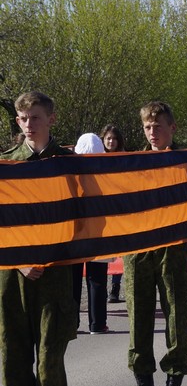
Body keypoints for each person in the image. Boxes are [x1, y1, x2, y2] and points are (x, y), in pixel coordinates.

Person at [0, 91, 75, 386]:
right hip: (12, 279)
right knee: (13, 358)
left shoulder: (70, 165)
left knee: (48, 361)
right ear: (18, 122)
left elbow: (86, 220)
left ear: (52, 119)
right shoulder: (5, 165)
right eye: (24, 118)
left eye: (36, 117)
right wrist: (19, 262)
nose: (30, 123)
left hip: (56, 278)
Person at [119, 102, 187, 386]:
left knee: (176, 320)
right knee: (138, 322)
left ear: (172, 128)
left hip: (172, 249)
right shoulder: (133, 165)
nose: (152, 132)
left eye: (158, 126)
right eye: (147, 127)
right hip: (138, 250)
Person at [71, 133, 111, 336]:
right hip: (99, 231)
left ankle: (72, 323)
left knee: (73, 279)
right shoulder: (105, 174)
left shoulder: (70, 174)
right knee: (97, 279)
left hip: (74, 233)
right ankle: (97, 323)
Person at [100, 124, 127, 303]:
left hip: (119, 210)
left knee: (119, 252)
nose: (111, 141)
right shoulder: (97, 159)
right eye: (108, 138)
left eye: (114, 138)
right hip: (102, 213)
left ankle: (115, 288)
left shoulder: (123, 159)